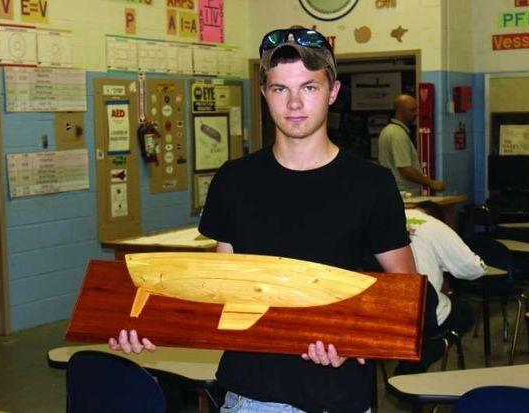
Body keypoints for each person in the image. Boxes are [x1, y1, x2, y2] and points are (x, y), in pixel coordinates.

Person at [110, 26, 417, 412]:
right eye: (279, 89)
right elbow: (221, 288)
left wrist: (354, 340)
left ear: (332, 93)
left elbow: (405, 293)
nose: (294, 103)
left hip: (338, 399)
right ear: (264, 94)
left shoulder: (371, 185)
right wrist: (147, 324)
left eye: (309, 87)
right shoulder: (234, 181)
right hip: (250, 398)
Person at [396, 200, 485, 374]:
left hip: (379, 311)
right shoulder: (434, 226)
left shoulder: (385, 218)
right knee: (464, 312)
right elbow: (474, 269)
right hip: (421, 311)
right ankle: (430, 351)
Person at [378, 94, 445, 195]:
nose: (416, 113)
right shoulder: (397, 134)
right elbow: (405, 170)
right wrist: (432, 183)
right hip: (403, 193)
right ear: (400, 111)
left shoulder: (387, 130)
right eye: (412, 110)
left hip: (393, 190)